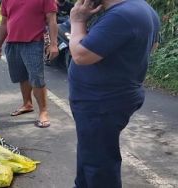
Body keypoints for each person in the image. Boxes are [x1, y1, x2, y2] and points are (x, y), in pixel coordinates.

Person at [68, 0, 160, 187]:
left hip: (101, 102)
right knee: (90, 154)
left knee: (99, 165)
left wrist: (77, 21)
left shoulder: (121, 16)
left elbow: (80, 55)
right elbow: (153, 46)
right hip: (108, 98)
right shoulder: (141, 7)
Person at [0, 0, 59, 128]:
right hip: (12, 43)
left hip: (33, 43)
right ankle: (27, 104)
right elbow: (4, 23)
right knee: (21, 76)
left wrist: (53, 44)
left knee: (36, 78)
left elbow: (52, 20)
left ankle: (43, 112)